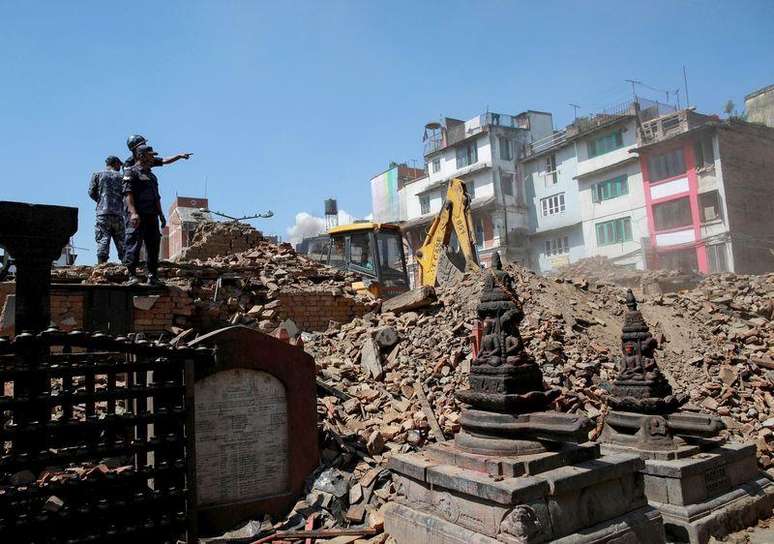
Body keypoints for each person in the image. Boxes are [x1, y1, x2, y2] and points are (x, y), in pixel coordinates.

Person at [122, 145, 170, 286]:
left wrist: (161, 214)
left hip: (152, 215)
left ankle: (152, 276)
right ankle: (132, 275)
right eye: (150, 155)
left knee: (153, 246)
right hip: (138, 215)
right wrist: (133, 213)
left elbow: (157, 197)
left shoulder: (152, 176)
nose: (153, 158)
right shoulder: (131, 172)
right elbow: (127, 194)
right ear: (141, 156)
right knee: (134, 245)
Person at [88, 155, 126, 264]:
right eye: (119, 164)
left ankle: (101, 267)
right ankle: (127, 269)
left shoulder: (97, 175)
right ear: (115, 163)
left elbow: (91, 192)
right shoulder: (122, 177)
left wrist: (101, 201)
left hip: (102, 213)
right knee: (122, 242)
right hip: (118, 213)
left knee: (103, 239)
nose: (120, 166)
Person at [124, 134, 193, 169]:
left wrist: (179, 156)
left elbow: (164, 160)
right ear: (134, 149)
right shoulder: (128, 164)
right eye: (142, 145)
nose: (145, 146)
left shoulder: (148, 157)